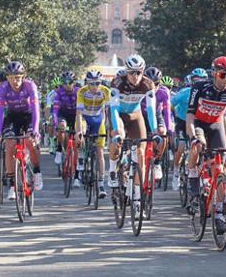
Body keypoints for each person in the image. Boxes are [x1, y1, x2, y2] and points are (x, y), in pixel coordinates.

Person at [185, 56, 226, 235]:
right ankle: (193, 176)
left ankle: (220, 211)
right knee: (198, 145)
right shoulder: (199, 87)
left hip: (216, 125)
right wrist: (192, 136)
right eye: (222, 75)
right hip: (198, 123)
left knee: (220, 167)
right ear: (214, 74)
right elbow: (189, 115)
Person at [108, 54, 157, 214]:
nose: (135, 76)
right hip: (119, 115)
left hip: (136, 115)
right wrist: (116, 133)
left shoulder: (148, 84)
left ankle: (137, 198)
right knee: (119, 136)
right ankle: (113, 168)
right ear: (126, 71)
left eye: (138, 72)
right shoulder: (117, 83)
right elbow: (114, 110)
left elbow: (150, 110)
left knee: (141, 154)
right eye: (132, 73)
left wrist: (155, 131)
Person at [0, 61, 43, 198]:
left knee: (31, 142)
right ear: (7, 77)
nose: (15, 81)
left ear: (23, 76)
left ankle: (37, 172)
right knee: (9, 144)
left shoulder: (30, 86)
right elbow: (0, 111)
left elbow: (35, 109)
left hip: (28, 116)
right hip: (13, 117)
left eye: (18, 77)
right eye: (12, 78)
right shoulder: (3, 88)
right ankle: (12, 184)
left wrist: (36, 129)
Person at [75, 70, 111, 199]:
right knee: (81, 135)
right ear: (87, 83)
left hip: (98, 118)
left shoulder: (105, 91)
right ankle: (80, 163)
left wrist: (109, 129)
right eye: (92, 84)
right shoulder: (82, 92)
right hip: (84, 117)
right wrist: (79, 131)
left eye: (97, 83)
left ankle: (101, 183)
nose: (95, 86)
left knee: (100, 152)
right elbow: (79, 114)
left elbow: (108, 112)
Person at [170, 69, 206, 190]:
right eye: (196, 80)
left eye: (201, 80)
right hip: (182, 121)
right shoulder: (185, 92)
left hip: (197, 123)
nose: (198, 83)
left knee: (199, 146)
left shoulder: (206, 93)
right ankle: (175, 171)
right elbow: (171, 104)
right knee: (181, 147)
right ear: (191, 80)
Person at [143, 66, 172, 183]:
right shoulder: (140, 89)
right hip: (141, 115)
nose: (153, 87)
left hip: (157, 115)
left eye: (156, 84)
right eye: (150, 83)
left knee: (162, 132)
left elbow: (167, 111)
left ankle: (157, 162)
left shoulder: (164, 92)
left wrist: (169, 128)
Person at [53, 71, 80, 187]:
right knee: (62, 126)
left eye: (70, 82)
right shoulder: (59, 92)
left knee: (77, 145)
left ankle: (77, 176)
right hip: (63, 114)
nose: (67, 85)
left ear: (74, 83)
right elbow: (55, 110)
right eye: (65, 83)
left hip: (76, 115)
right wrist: (55, 123)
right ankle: (59, 149)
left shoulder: (79, 91)